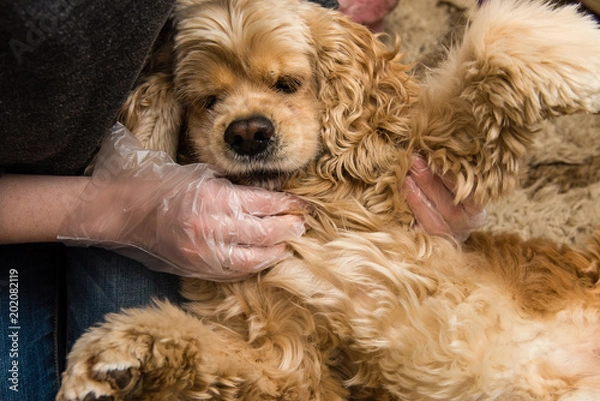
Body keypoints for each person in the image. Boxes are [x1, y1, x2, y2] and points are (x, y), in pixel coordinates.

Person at [0, 1, 486, 400]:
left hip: (116, 151)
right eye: (211, 101)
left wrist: (443, 174)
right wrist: (118, 213)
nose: (248, 127)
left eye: (285, 84)